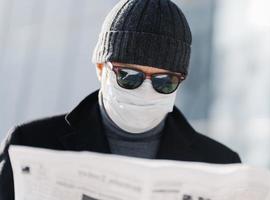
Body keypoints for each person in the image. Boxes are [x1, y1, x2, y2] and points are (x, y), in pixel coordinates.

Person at [0, 0, 241, 199]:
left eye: (164, 81)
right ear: (100, 68)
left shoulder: (221, 165)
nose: (146, 90)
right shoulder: (30, 144)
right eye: (128, 76)